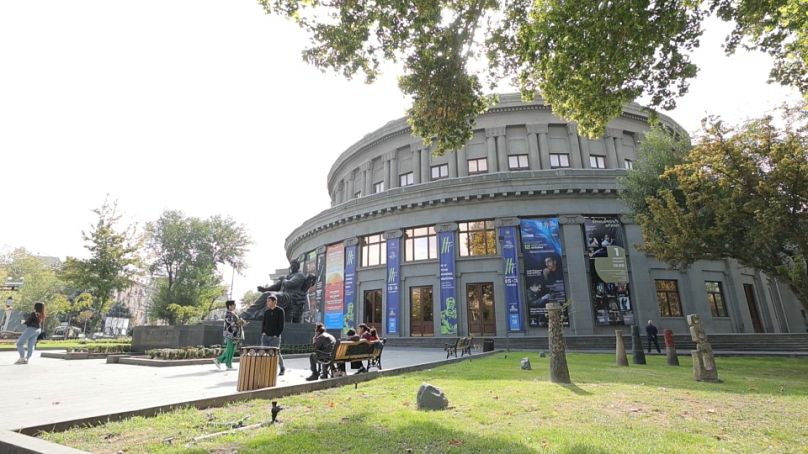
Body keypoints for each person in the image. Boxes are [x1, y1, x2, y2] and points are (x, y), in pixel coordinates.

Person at [261, 294, 286, 376]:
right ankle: (268, 369)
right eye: (267, 301)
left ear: (274, 302)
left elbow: (281, 325)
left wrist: (277, 334)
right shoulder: (266, 312)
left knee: (276, 353)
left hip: (275, 337)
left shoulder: (280, 311)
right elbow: (264, 323)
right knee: (265, 352)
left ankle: (282, 368)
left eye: (269, 301)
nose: (267, 302)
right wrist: (263, 332)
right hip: (265, 336)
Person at [214, 300, 243, 370]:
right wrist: (240, 322)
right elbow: (232, 323)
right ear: (230, 306)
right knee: (230, 349)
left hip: (234, 334)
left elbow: (234, 323)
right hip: (230, 334)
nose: (235, 306)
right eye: (234, 305)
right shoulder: (228, 314)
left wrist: (240, 322)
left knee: (231, 349)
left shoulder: (233, 313)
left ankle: (220, 360)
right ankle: (227, 364)